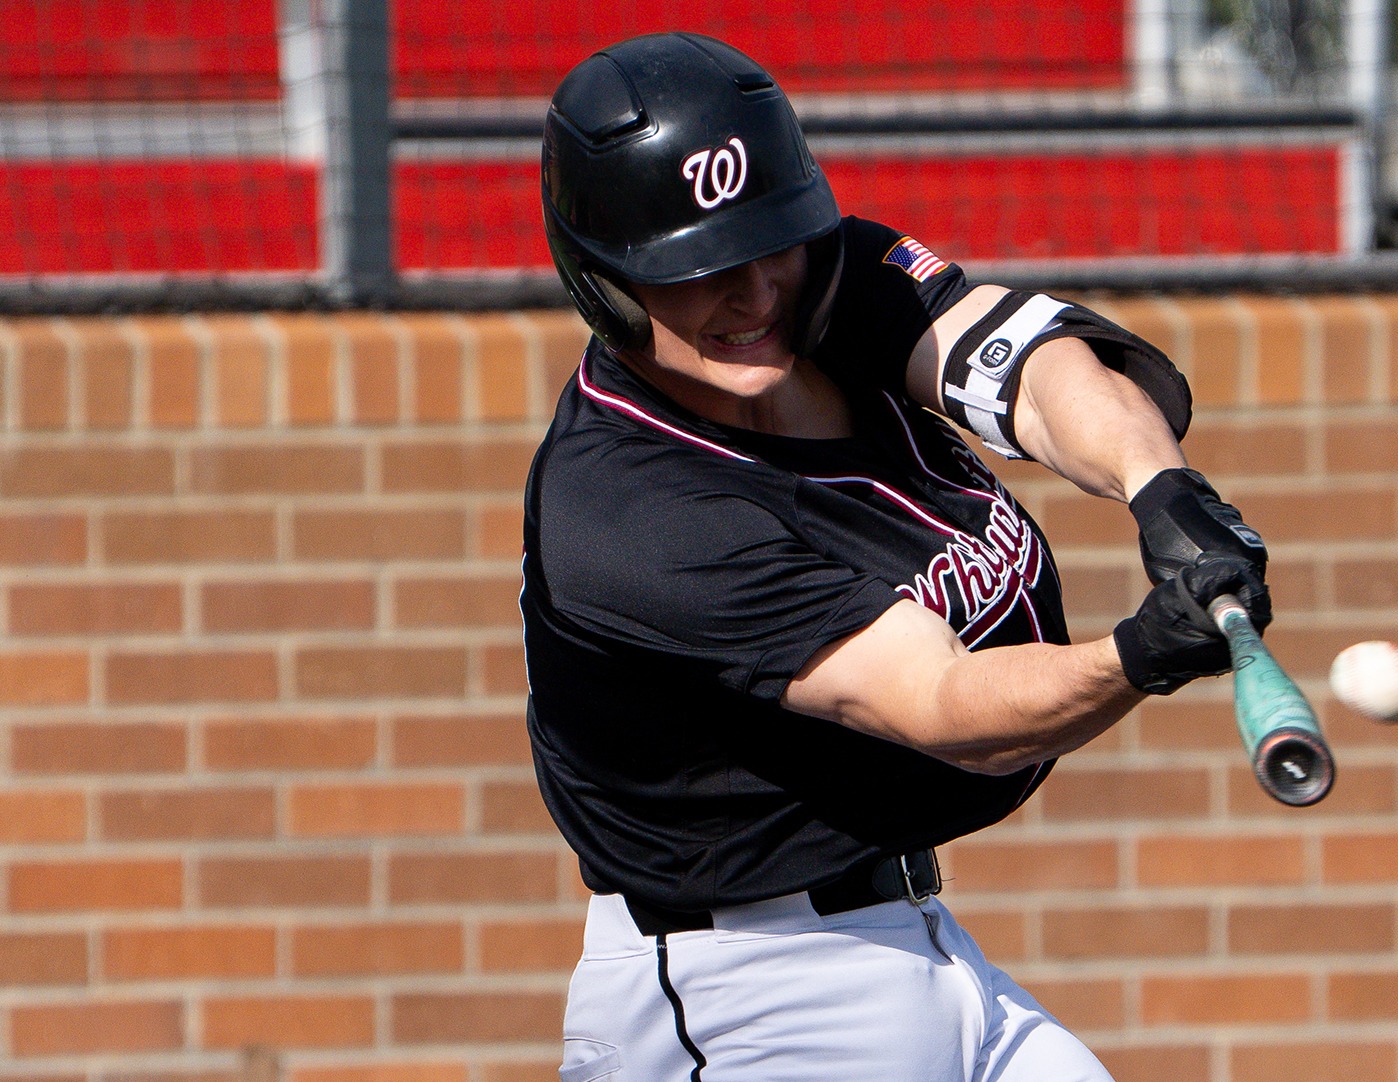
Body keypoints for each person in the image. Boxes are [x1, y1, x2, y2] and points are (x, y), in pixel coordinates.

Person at [522, 31, 1271, 1082]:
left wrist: (1163, 489)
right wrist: (1136, 656)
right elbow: (946, 706)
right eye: (704, 271)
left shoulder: (828, 296)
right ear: (604, 284)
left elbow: (1037, 372)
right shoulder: (633, 511)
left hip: (918, 938)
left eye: (772, 242)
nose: (756, 293)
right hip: (746, 995)